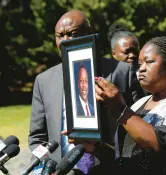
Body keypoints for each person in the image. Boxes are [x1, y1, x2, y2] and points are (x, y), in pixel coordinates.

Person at [28, 10, 144, 175]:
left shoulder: (122, 72)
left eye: (72, 34)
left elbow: (139, 126)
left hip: (111, 168)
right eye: (59, 36)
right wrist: (46, 166)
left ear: (90, 33)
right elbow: (37, 138)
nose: (65, 41)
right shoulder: (44, 80)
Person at [92, 36, 166, 174]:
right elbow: (126, 155)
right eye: (140, 64)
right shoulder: (139, 104)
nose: (141, 69)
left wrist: (121, 110)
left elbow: (163, 149)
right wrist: (95, 148)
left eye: (149, 62)